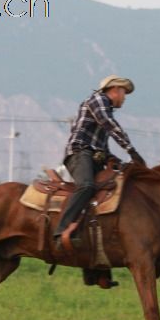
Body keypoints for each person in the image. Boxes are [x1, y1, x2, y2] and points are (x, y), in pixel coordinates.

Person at [53, 75, 146, 248]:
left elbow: (102, 146)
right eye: (124, 93)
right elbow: (110, 125)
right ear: (115, 90)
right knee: (86, 185)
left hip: (94, 158)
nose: (124, 99)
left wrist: (115, 160)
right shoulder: (98, 101)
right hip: (79, 153)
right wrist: (131, 150)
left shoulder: (105, 108)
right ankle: (61, 230)